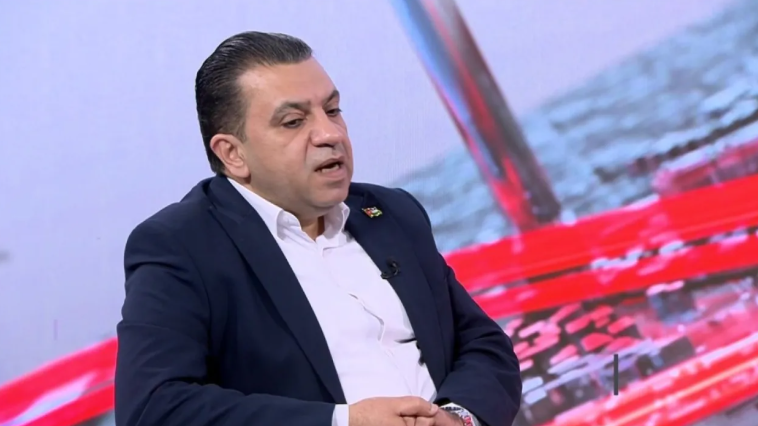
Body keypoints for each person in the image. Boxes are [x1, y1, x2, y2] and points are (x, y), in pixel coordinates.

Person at [114, 31, 522, 426]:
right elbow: (155, 408)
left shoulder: (392, 213)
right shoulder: (181, 245)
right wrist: (344, 422)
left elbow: (483, 344)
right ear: (233, 154)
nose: (330, 134)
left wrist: (458, 417)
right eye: (293, 121)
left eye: (333, 110)